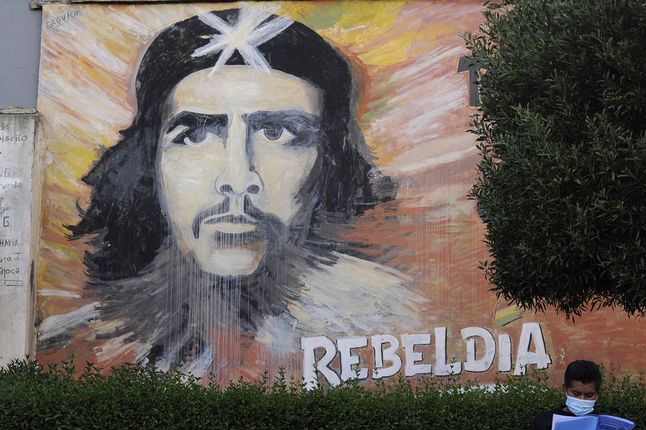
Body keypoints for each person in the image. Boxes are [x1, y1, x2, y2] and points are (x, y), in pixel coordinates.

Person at [37, 7, 422, 375]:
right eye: (196, 134)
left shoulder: (390, 330)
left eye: (277, 133)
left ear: (331, 163)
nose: (238, 179)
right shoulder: (76, 344)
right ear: (147, 165)